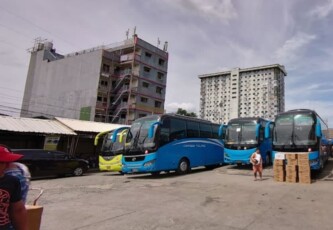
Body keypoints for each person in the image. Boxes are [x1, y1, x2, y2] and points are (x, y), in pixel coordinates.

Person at [0, 145, 28, 230]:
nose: (7, 166)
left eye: (5, 162)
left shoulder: (12, 181)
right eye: (2, 162)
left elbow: (18, 210)